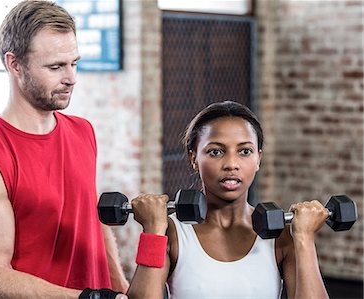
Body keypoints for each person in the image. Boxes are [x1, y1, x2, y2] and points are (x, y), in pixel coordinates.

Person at [0, 1, 129, 298]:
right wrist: (87, 298)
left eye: (74, 63)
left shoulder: (83, 131)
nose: (71, 78)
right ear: (14, 64)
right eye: (56, 66)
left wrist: (120, 287)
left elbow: (91, 221)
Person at [126, 100, 330, 298]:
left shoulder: (282, 237)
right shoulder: (172, 233)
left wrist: (304, 237)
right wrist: (153, 231)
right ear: (193, 158)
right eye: (216, 152)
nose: (231, 164)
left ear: (258, 158)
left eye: (245, 151)